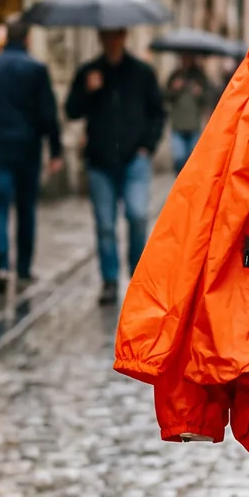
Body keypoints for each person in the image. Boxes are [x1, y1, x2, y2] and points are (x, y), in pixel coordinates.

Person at [66, 27, 166, 306]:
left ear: (124, 37)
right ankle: (109, 280)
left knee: (136, 215)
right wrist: (88, 91)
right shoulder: (89, 72)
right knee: (105, 224)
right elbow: (72, 110)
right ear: (101, 38)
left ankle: (137, 277)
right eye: (107, 36)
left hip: (135, 159)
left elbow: (158, 112)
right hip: (100, 161)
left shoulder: (141, 72)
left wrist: (148, 146)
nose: (112, 41)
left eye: (117, 35)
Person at [0, 18, 63, 291]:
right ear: (27, 39)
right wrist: (55, 148)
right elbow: (48, 112)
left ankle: (0, 265)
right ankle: (23, 266)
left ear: (5, 38)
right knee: (25, 207)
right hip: (28, 146)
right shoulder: (36, 69)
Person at [164, 55, 216, 173]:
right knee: (179, 158)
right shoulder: (175, 75)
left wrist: (200, 93)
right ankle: (180, 182)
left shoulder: (200, 77)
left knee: (193, 160)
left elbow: (209, 99)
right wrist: (174, 89)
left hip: (194, 125)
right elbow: (165, 96)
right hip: (177, 124)